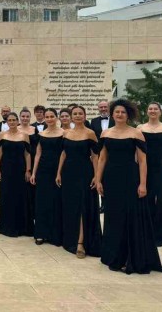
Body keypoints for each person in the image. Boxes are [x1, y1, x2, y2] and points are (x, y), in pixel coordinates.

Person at [96, 99, 162, 274]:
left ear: (128, 115)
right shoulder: (105, 133)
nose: (119, 115)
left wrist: (143, 184)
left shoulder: (136, 133)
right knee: (114, 216)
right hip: (111, 179)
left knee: (131, 215)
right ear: (112, 114)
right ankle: (114, 255)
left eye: (123, 112)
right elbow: (102, 158)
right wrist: (98, 180)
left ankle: (130, 256)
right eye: (117, 112)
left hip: (131, 178)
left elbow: (143, 161)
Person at [55, 105, 101, 258]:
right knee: (70, 206)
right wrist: (58, 173)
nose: (77, 116)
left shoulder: (90, 133)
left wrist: (96, 176)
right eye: (75, 114)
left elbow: (95, 156)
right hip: (68, 173)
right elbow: (63, 153)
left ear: (85, 115)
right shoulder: (66, 133)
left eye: (80, 113)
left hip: (85, 173)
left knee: (82, 206)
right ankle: (70, 238)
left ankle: (81, 243)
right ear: (71, 116)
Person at [137, 102, 162, 246]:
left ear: (160, 112)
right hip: (144, 166)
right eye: (150, 109)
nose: (153, 111)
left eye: (156, 109)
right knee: (145, 197)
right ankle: (146, 231)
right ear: (146, 111)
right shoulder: (140, 128)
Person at [0, 112, 32, 237]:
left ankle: (21, 227)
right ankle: (7, 226)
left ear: (18, 121)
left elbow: (27, 154)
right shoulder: (2, 135)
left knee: (20, 196)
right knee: (6, 196)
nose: (11, 122)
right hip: (6, 170)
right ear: (7, 122)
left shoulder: (24, 136)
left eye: (13, 120)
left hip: (20, 170)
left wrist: (28, 170)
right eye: (9, 120)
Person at [30, 108, 63, 246]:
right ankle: (41, 234)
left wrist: (59, 172)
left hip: (58, 171)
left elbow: (64, 153)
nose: (49, 119)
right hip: (43, 171)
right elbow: (38, 154)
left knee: (56, 201)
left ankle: (55, 235)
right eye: (47, 116)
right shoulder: (41, 133)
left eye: (52, 116)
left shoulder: (64, 133)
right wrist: (33, 173)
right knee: (42, 202)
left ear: (56, 117)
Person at [17, 108, 38, 234]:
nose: (25, 118)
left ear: (30, 117)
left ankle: (30, 218)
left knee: (31, 192)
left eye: (27, 116)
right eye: (23, 116)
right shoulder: (15, 129)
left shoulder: (34, 129)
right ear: (20, 117)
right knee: (20, 191)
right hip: (20, 163)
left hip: (34, 161)